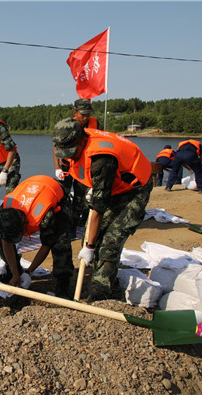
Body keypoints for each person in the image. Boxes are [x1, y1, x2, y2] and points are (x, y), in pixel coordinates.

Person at [51, 119, 152, 300]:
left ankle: (101, 294)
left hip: (134, 190)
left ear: (81, 141)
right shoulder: (74, 142)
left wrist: (89, 247)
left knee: (109, 242)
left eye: (71, 152)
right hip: (114, 186)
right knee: (92, 236)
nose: (69, 157)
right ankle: (102, 279)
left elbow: (98, 208)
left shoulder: (101, 158)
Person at [0, 175, 74, 299]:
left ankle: (63, 287)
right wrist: (16, 273)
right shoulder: (6, 209)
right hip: (31, 184)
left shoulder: (43, 214)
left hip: (56, 196)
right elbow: (6, 242)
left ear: (24, 223)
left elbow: (46, 244)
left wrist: (29, 271)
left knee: (60, 240)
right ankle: (13, 269)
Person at [53, 99, 98, 232]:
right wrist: (57, 168)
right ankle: (64, 220)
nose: (85, 117)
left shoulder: (95, 124)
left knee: (81, 195)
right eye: (83, 114)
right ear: (75, 112)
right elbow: (56, 148)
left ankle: (79, 220)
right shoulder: (66, 126)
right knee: (63, 194)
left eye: (88, 114)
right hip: (67, 165)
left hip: (84, 166)